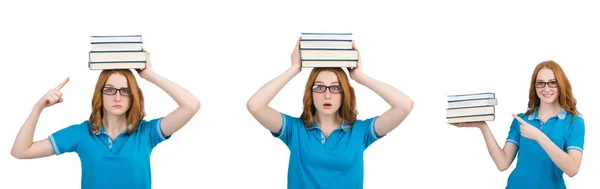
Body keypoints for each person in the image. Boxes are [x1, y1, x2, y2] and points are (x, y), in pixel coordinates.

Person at [10, 50, 201, 189]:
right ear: (99, 95)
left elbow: (191, 106)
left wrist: (149, 75)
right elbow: (20, 151)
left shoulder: (147, 133)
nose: (117, 97)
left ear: (132, 96)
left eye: (125, 91)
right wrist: (38, 108)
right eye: (109, 90)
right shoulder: (81, 134)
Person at [246, 39, 414, 188]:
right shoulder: (295, 130)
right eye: (319, 87)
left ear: (344, 93)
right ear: (310, 93)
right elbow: (255, 106)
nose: (327, 95)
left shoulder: (359, 132)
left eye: (335, 87)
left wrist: (359, 76)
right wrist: (294, 69)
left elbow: (404, 105)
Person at [450, 60, 585, 189]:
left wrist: (539, 136)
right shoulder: (521, 119)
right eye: (540, 83)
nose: (546, 88)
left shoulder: (574, 122)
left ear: (561, 84)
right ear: (534, 86)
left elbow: (572, 169)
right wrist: (483, 126)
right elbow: (502, 163)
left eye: (552, 83)